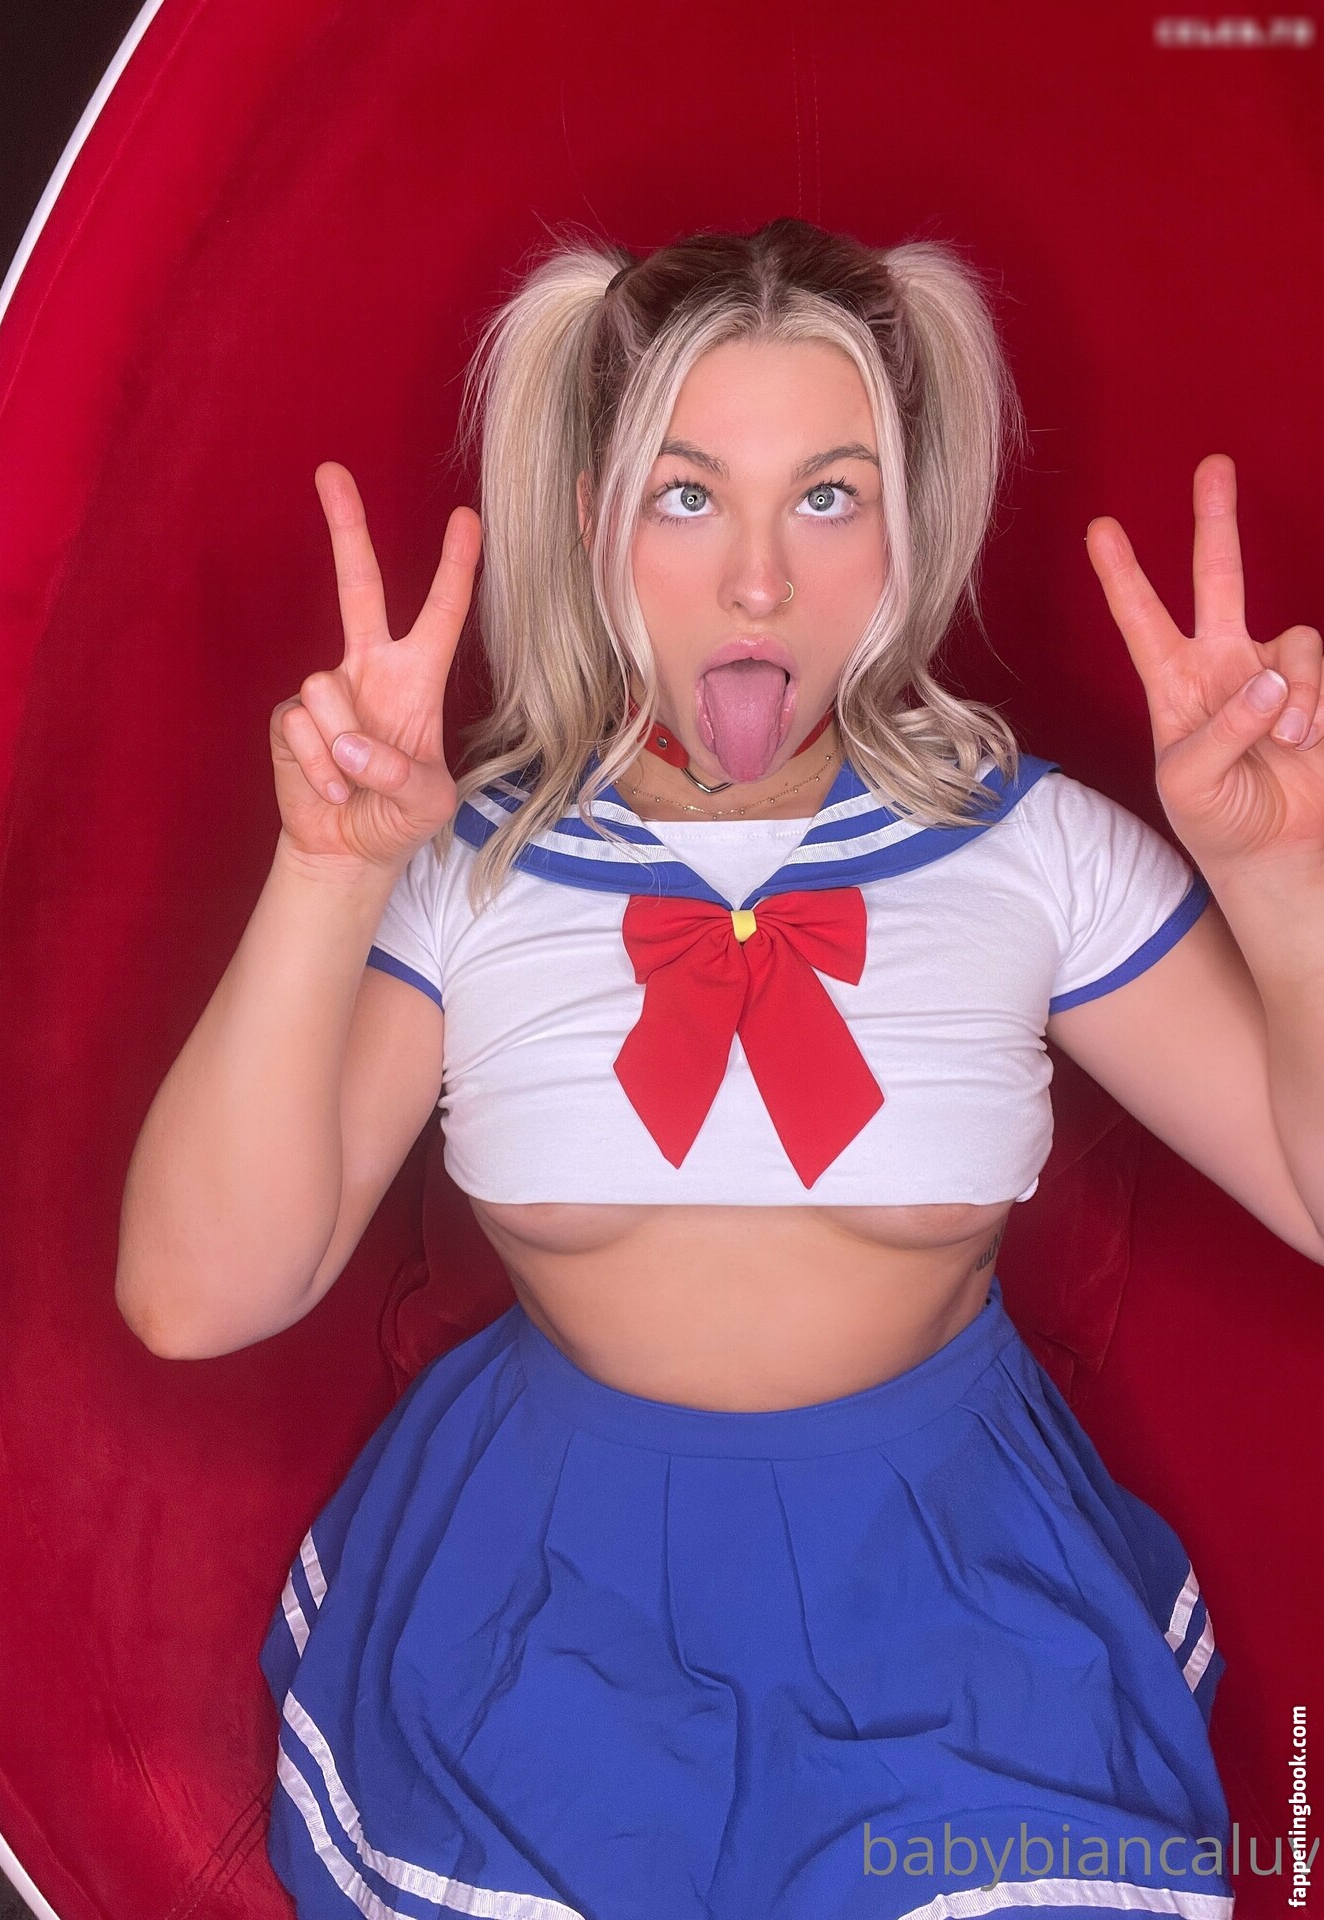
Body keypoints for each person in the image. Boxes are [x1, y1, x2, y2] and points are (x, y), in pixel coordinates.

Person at [115, 218, 1324, 1919]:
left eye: (829, 497)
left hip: (948, 1592)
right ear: (593, 523)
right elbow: (194, 1300)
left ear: (907, 529)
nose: (760, 582)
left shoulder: (1037, 850)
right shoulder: (460, 865)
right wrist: (325, 874)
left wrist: (1282, 885)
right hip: (548, 1594)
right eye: (687, 496)